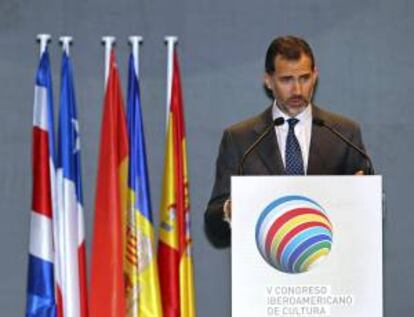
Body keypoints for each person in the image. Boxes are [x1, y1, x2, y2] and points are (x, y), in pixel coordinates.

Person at [204, 35, 370, 247]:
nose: (297, 90)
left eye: (304, 78)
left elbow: (367, 216)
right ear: (268, 80)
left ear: (315, 75)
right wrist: (229, 209)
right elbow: (213, 225)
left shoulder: (345, 134)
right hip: (263, 267)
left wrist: (362, 196)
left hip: (329, 263)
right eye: (286, 80)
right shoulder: (240, 139)